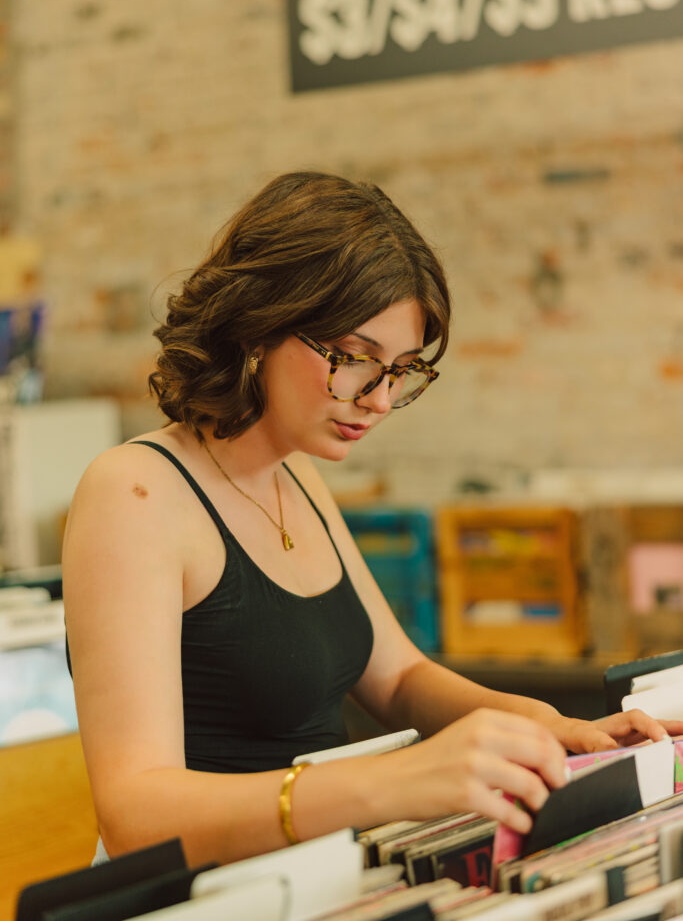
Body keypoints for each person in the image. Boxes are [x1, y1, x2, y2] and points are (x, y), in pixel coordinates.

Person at [62, 171, 683, 870]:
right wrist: (392, 783)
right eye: (354, 359)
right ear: (258, 324)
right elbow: (135, 816)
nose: (379, 400)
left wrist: (547, 728)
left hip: (319, 880)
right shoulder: (135, 493)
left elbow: (398, 680)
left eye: (401, 370)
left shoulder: (297, 475)